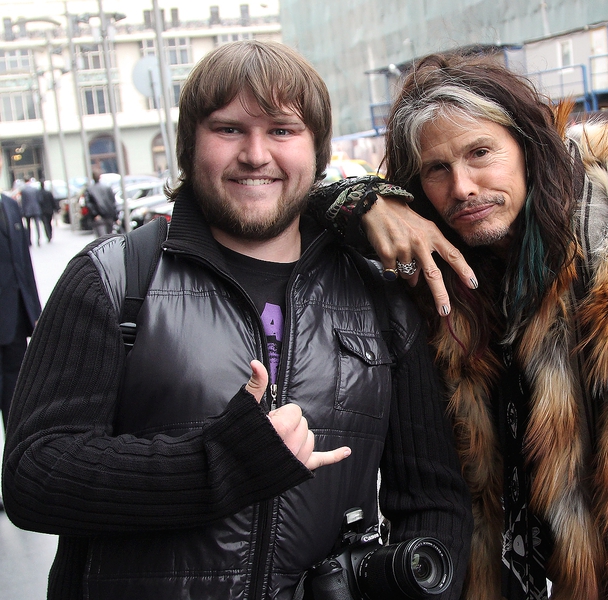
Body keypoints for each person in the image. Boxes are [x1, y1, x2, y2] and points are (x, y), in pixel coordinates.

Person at [309, 52, 608, 600]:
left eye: (480, 153)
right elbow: (285, 201)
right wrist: (362, 203)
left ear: (526, 147)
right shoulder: (450, 283)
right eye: (436, 169)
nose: (464, 186)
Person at [1, 41, 471, 600]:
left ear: (316, 152)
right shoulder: (114, 278)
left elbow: (432, 499)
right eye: (228, 130)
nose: (255, 154)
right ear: (189, 146)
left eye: (281, 131)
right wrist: (218, 464)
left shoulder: (380, 295)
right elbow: (33, 476)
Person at [0, 155, 41, 514]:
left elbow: (22, 262)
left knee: (12, 405)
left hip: (12, 323)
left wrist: (34, 313)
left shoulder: (9, 208)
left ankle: (9, 478)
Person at [84, 167, 117, 236]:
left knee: (101, 238)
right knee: (109, 237)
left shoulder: (90, 189)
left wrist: (95, 214)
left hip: (99, 217)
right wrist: (115, 217)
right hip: (109, 216)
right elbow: (113, 202)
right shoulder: (107, 188)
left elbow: (88, 204)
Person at [19, 176, 43, 246]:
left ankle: (29, 241)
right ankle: (38, 239)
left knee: (28, 227)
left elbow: (23, 202)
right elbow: (40, 199)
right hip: (36, 209)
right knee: (37, 225)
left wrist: (22, 211)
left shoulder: (23, 190)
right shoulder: (35, 189)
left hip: (27, 210)